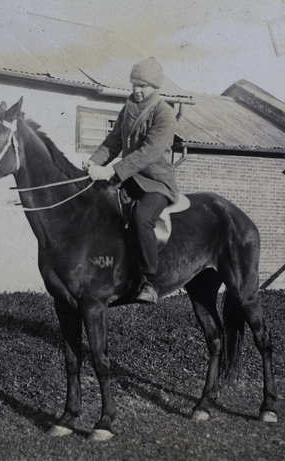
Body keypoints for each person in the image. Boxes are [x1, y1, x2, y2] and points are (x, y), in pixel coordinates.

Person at [84, 57, 178, 304]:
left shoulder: (165, 113)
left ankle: (149, 282)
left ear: (155, 87)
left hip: (155, 183)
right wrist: (94, 163)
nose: (136, 90)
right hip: (129, 180)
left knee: (141, 218)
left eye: (142, 85)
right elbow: (113, 142)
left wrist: (111, 172)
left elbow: (148, 152)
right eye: (133, 84)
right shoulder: (127, 109)